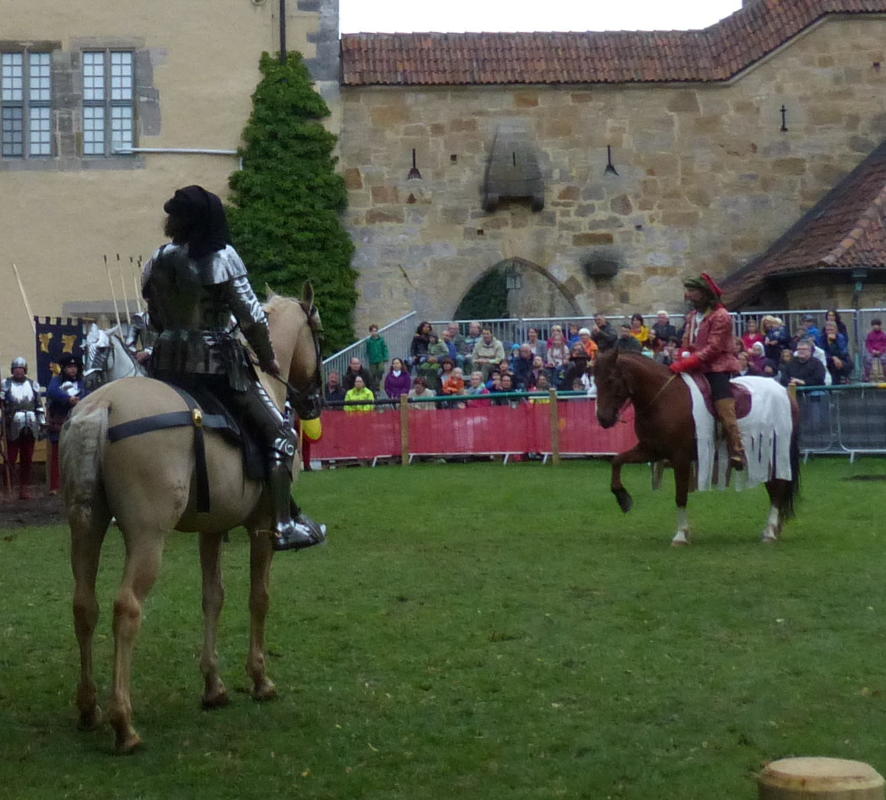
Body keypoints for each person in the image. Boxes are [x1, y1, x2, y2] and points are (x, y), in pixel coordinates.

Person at [141, 184, 324, 551]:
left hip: (165, 365)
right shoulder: (222, 257)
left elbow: (154, 315)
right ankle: (283, 525)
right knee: (281, 434)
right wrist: (268, 358)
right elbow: (252, 317)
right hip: (215, 367)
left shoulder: (158, 259)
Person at [669, 273, 745, 470]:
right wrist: (682, 355)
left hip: (717, 367)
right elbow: (686, 341)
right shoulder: (692, 316)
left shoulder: (721, 316)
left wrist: (689, 361)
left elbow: (714, 348)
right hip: (693, 366)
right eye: (688, 291)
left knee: (723, 405)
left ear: (704, 293)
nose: (688, 295)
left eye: (692, 291)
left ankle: (736, 448)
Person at [1, 357, 46, 500]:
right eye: (16, 368)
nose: (18, 371)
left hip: (31, 425)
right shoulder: (6, 384)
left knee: (27, 458)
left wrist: (42, 424)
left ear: (25, 370)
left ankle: (24, 488)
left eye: (21, 368)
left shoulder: (33, 385)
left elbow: (38, 405)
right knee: (10, 458)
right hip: (12, 425)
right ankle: (7, 489)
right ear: (12, 370)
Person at [47, 354, 86, 494]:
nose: (73, 370)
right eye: (69, 367)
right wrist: (68, 399)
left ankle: (76, 484)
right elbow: (52, 391)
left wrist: (80, 399)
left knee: (78, 454)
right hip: (60, 422)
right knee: (57, 455)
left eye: (75, 367)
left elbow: (88, 393)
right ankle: (55, 486)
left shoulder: (82, 382)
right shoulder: (56, 381)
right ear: (63, 368)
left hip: (78, 422)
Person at [817, 319, 852, 384]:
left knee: (849, 362)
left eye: (831, 330)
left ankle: (846, 379)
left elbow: (843, 352)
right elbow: (822, 352)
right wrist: (833, 358)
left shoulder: (840, 338)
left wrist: (833, 343)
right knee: (832, 364)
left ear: (836, 330)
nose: (829, 332)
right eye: (828, 330)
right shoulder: (821, 338)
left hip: (840, 358)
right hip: (827, 359)